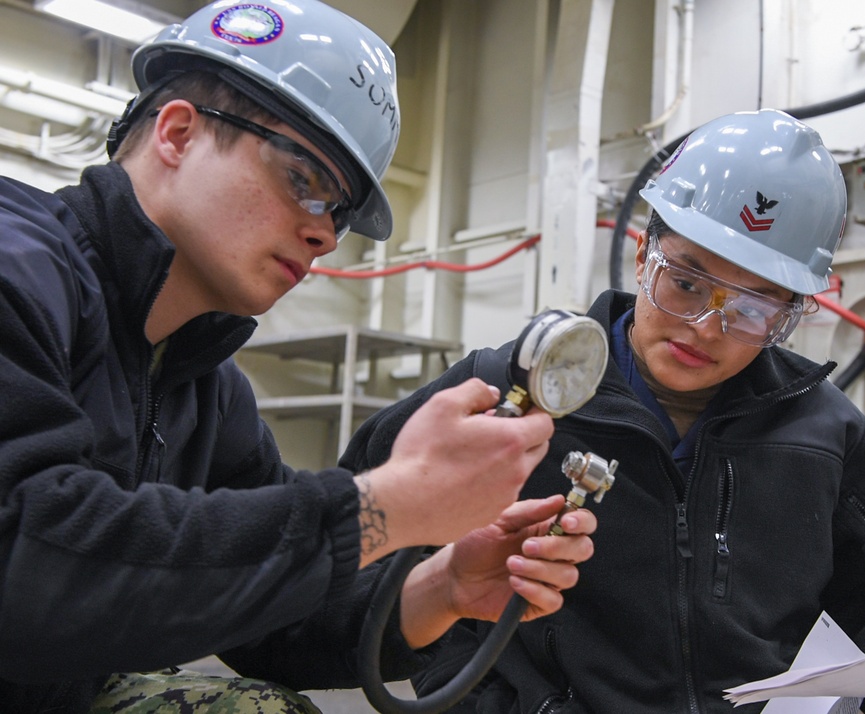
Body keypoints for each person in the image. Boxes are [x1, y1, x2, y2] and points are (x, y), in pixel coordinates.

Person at [0, 2, 598, 712]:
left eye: (340, 211)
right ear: (179, 132)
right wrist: (384, 504)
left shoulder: (205, 385)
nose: (324, 234)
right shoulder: (18, 268)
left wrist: (443, 587)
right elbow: (27, 570)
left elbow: (265, 614)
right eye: (304, 179)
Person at [341, 108, 865, 714]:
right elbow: (360, 553)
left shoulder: (829, 431)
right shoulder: (503, 392)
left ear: (793, 312)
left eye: (753, 308)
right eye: (684, 283)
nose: (705, 328)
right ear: (641, 255)